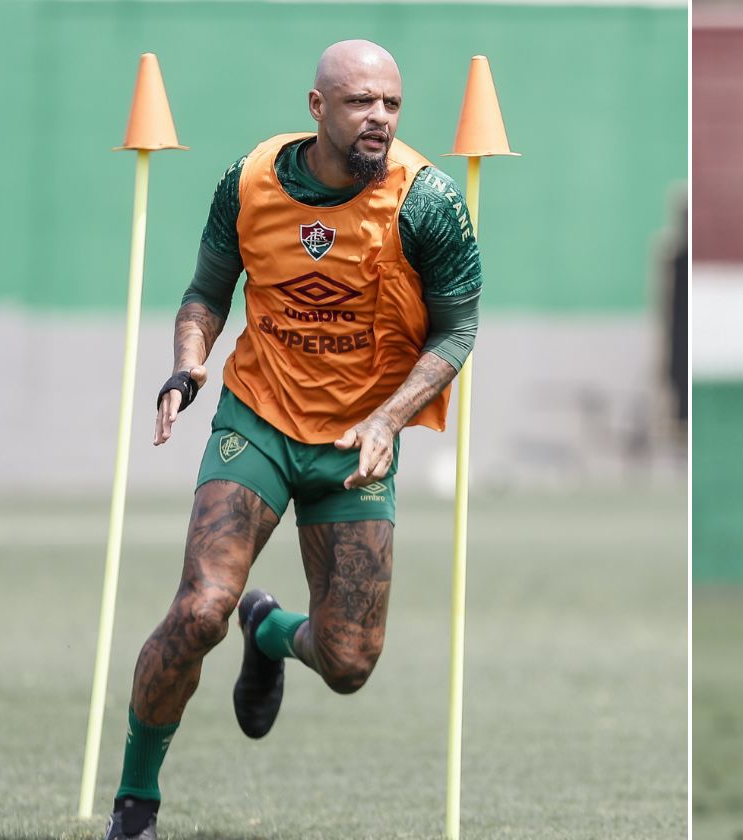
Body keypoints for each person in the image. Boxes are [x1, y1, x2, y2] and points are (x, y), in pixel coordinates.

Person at [105, 40, 481, 840]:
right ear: (318, 108)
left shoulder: (428, 202)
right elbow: (207, 292)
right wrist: (186, 366)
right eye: (360, 102)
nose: (378, 117)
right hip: (259, 418)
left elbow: (459, 329)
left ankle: (269, 630)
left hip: (358, 441)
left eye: (391, 104)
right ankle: (136, 802)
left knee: (348, 664)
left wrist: (387, 418)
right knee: (202, 608)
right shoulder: (249, 181)